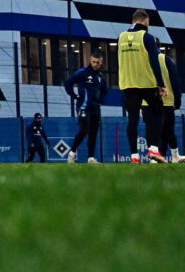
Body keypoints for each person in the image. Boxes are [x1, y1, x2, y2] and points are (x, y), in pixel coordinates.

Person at [115, 10, 175, 162]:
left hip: (128, 83)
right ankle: (154, 149)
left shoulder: (120, 37)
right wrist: (161, 84)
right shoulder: (147, 37)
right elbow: (154, 61)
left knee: (133, 119)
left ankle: (134, 156)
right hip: (145, 82)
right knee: (159, 111)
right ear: (145, 21)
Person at [65, 46, 108, 163]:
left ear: (101, 62)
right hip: (83, 107)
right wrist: (74, 95)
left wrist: (101, 100)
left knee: (93, 133)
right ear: (90, 60)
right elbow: (68, 83)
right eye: (93, 62)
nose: (95, 64)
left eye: (98, 62)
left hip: (95, 108)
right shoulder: (82, 72)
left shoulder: (101, 77)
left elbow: (105, 91)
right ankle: (72, 153)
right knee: (84, 130)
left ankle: (91, 158)